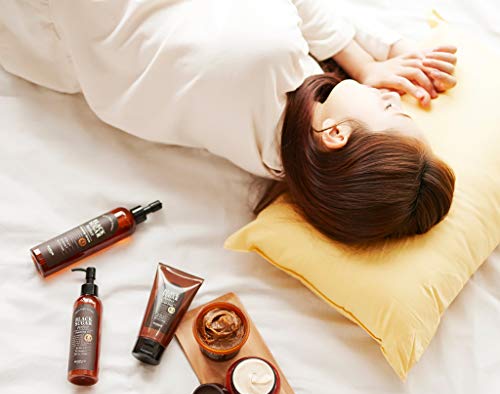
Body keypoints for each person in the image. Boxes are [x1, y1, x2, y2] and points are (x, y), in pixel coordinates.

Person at [0, 0, 457, 245]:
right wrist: (382, 54)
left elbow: (289, 19)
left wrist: (363, 62)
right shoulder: (273, 155)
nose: (387, 95)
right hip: (46, 47)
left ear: (336, 134)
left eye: (390, 110)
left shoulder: (267, 59)